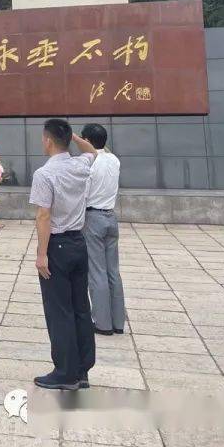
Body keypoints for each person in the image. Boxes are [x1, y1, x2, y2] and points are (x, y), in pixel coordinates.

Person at [30, 119, 98, 390]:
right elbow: (92, 151)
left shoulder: (44, 174)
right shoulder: (81, 164)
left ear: (47, 140)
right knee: (81, 308)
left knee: (60, 311)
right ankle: (82, 369)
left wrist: (41, 254)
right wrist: (76, 139)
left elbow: (43, 215)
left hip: (57, 245)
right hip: (78, 244)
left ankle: (65, 372)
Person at [79, 123, 126, 336]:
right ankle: (118, 322)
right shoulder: (114, 160)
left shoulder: (89, 163)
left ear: (87, 140)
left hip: (93, 217)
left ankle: (102, 323)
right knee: (113, 271)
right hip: (110, 217)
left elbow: (83, 193)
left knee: (96, 272)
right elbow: (103, 150)